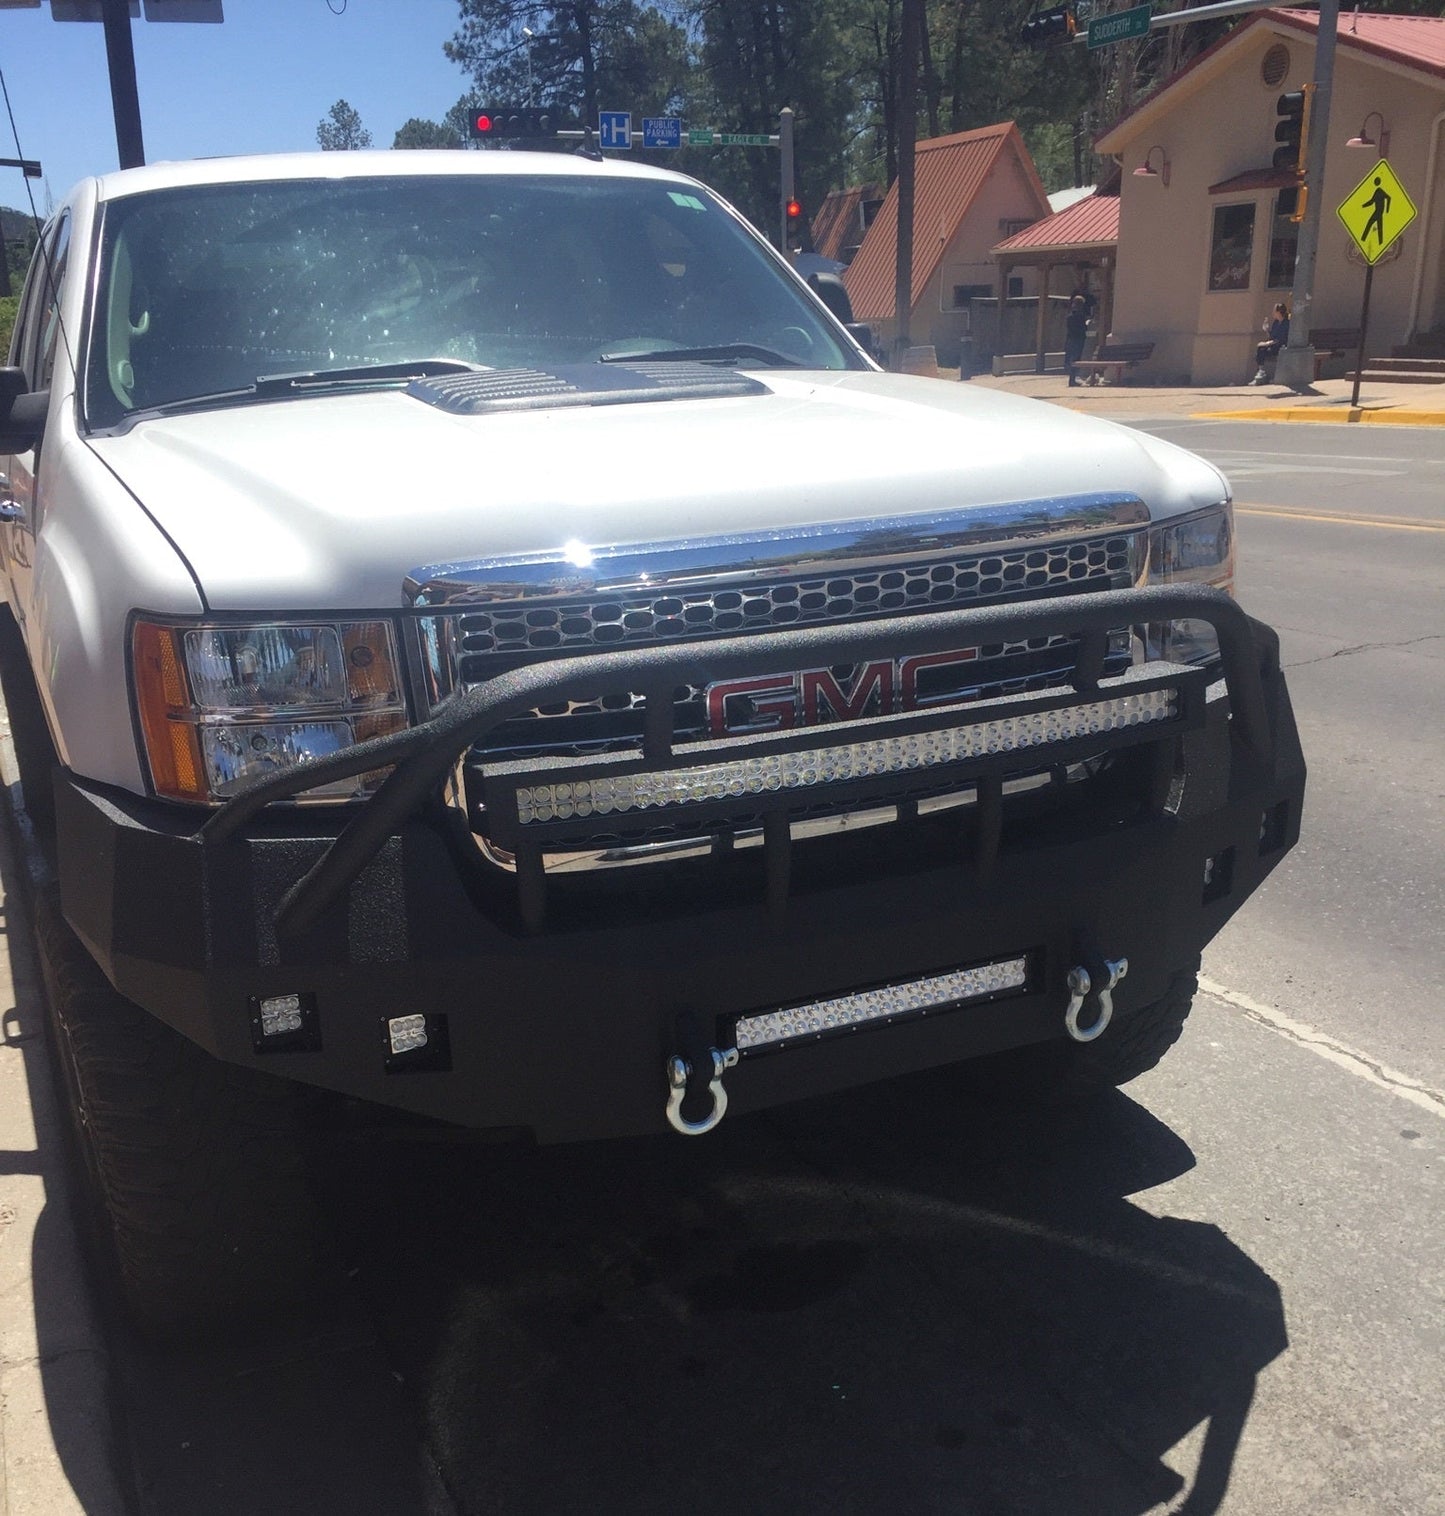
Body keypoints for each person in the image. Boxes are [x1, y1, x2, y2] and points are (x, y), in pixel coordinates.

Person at [1253, 303, 1289, 384]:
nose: (1273, 313)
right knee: (1261, 349)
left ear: (1279, 312)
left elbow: (1280, 339)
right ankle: (1261, 372)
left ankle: (1266, 374)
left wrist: (1267, 344)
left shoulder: (1286, 323)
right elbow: (1272, 337)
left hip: (1282, 347)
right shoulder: (1276, 322)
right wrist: (1266, 330)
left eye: (1274, 311)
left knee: (1263, 347)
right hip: (1274, 346)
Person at [1065, 293, 1090, 387]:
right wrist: (1087, 324)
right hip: (1078, 339)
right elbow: (1082, 328)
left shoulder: (1070, 316)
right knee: (1076, 359)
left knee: (1072, 359)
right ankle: (1072, 379)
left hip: (1070, 339)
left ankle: (1072, 379)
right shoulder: (1080, 316)